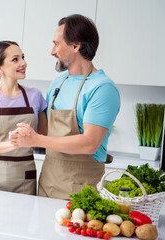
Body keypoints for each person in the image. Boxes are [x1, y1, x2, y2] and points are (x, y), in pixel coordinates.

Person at [10, 14, 121, 200]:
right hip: (48, 183)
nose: (52, 51)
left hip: (82, 187)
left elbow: (90, 143)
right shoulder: (58, 83)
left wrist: (36, 140)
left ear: (76, 46)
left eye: (57, 44)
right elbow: (45, 131)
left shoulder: (102, 88)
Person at [0, 40, 47, 195]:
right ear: (0, 68)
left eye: (23, 57)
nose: (24, 63)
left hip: (24, 178)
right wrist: (16, 143)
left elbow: (44, 137)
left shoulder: (35, 96)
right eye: (15, 59)